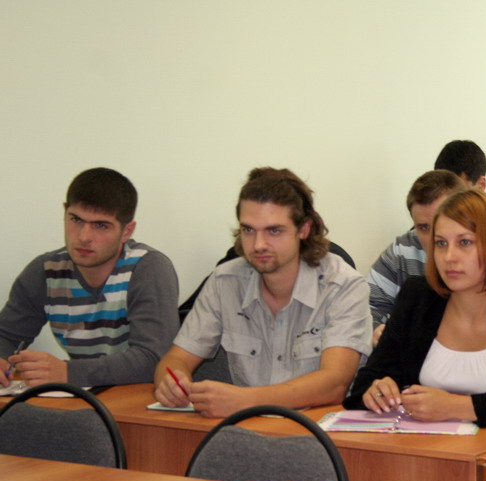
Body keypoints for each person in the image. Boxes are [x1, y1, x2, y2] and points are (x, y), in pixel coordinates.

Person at [344, 189, 486, 428]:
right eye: (441, 243)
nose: (449, 257)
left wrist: (459, 406)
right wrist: (375, 391)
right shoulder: (416, 297)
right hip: (421, 444)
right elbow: (364, 384)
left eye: (465, 242)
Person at [154, 167, 372, 417]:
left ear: (303, 229)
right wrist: (172, 382)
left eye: (274, 231)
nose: (258, 245)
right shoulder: (225, 281)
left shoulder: (343, 285)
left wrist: (245, 400)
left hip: (321, 430)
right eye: (248, 230)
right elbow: (176, 359)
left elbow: (334, 384)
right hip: (247, 428)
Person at [0, 167, 179, 388]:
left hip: (139, 397)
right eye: (76, 219)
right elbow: (6, 336)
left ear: (127, 231)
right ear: (64, 212)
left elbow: (153, 359)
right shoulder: (45, 271)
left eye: (101, 225)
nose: (84, 237)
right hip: (83, 397)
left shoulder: (147, 268)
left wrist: (67, 372)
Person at [367, 170, 486, 345]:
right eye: (423, 227)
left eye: (464, 242)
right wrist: (376, 330)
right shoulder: (401, 250)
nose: (433, 236)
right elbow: (367, 306)